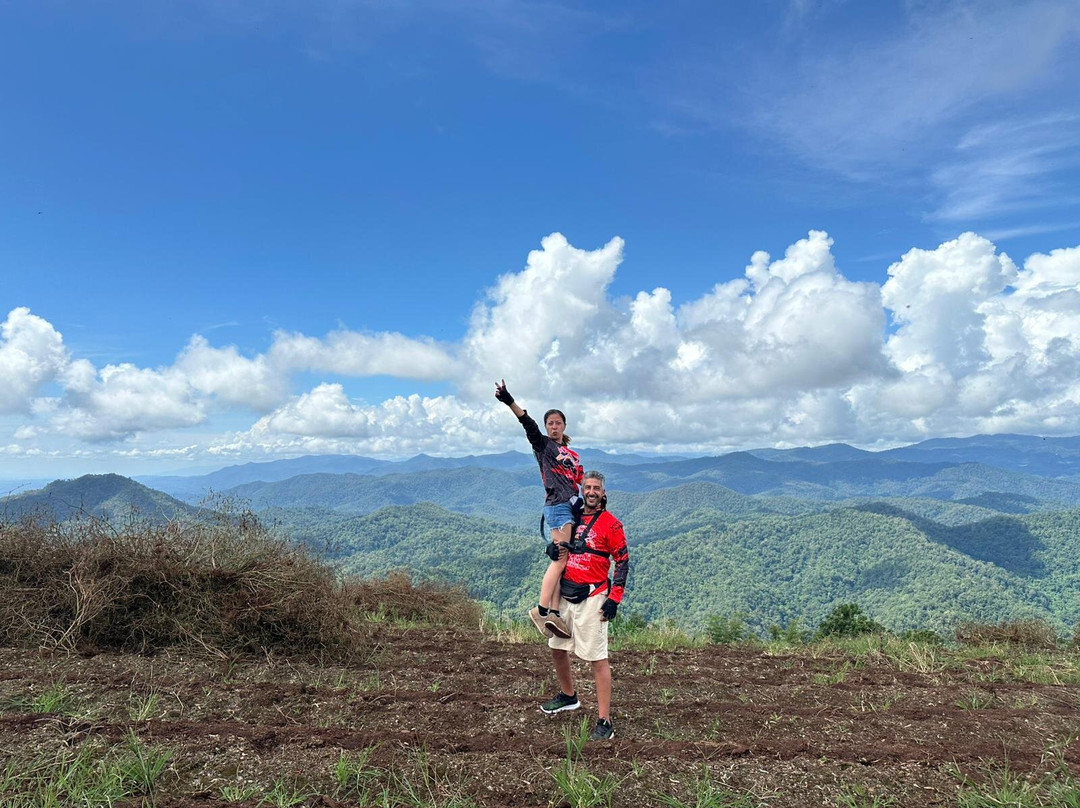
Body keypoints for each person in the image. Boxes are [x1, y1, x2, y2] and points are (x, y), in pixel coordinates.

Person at [539, 470, 629, 742]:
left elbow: (622, 560)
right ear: (582, 490)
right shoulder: (572, 516)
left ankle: (605, 721)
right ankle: (569, 696)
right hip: (565, 596)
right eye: (587, 487)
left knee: (596, 658)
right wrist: (551, 549)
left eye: (596, 488)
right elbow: (558, 544)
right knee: (557, 648)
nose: (591, 492)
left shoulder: (612, 525)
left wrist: (614, 598)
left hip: (593, 597)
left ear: (603, 493)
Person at [495, 380, 583, 639]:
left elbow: (577, 481)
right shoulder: (544, 445)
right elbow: (528, 424)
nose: (553, 427)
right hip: (557, 508)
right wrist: (509, 400)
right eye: (550, 423)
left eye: (558, 423)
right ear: (546, 427)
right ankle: (541, 610)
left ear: (564, 425)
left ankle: (554, 614)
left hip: (569, 507)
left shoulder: (570, 454)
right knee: (560, 560)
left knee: (562, 561)